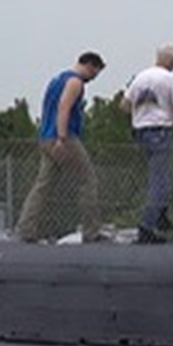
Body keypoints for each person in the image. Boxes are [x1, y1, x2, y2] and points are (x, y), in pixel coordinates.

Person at [14, 51, 107, 243]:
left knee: (43, 185)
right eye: (95, 73)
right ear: (90, 66)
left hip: (46, 136)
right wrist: (62, 138)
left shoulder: (56, 80)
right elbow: (64, 107)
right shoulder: (75, 82)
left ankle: (25, 229)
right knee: (87, 180)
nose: (93, 78)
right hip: (64, 138)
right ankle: (92, 231)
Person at [122, 43, 173, 243]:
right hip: (160, 132)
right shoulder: (170, 79)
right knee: (160, 183)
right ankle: (148, 226)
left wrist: (142, 114)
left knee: (158, 178)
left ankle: (161, 216)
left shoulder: (140, 78)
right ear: (172, 62)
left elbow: (124, 105)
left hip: (140, 132)